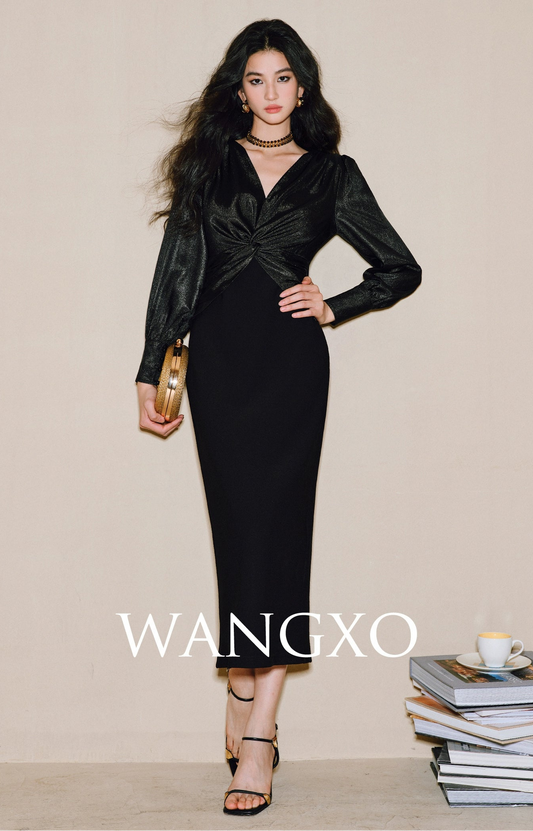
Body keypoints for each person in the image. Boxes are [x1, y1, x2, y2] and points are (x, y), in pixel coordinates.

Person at [135, 18, 422, 816]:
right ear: (239, 91)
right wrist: (152, 367)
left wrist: (335, 304)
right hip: (219, 363)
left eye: (283, 78)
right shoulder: (208, 164)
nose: (270, 93)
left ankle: (258, 730)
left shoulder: (333, 173)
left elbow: (399, 267)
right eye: (256, 79)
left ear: (302, 87)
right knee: (240, 532)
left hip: (292, 369)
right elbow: (177, 268)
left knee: (281, 531)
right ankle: (241, 681)